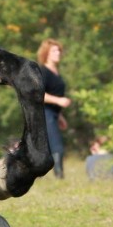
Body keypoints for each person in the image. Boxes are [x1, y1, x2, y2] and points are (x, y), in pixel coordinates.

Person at [37, 38, 72, 179]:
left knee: (48, 147)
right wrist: (59, 100)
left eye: (59, 50)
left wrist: (60, 117)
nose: (58, 53)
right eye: (54, 50)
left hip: (53, 114)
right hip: (44, 113)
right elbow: (38, 94)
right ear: (46, 53)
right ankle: (59, 178)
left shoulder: (56, 72)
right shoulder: (43, 71)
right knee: (56, 147)